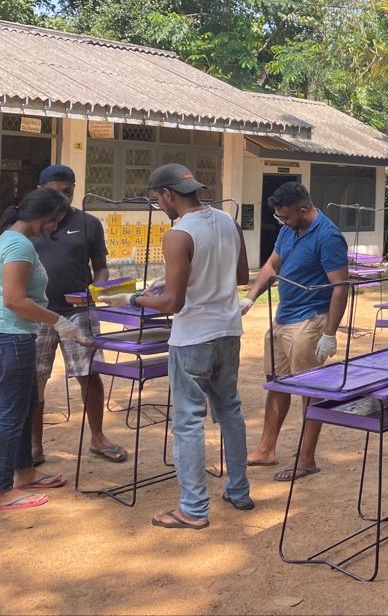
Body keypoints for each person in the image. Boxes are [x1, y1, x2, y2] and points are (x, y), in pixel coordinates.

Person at [108, 164, 251, 529]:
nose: (160, 204)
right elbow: (239, 277)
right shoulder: (227, 221)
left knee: (188, 421)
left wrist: (136, 299)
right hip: (228, 331)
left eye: (158, 199)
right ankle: (239, 491)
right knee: (230, 411)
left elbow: (173, 304)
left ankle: (193, 509)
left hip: (192, 339)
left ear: (167, 195)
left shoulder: (178, 234)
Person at [242, 182, 349, 481]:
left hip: (310, 321)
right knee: (275, 383)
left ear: (303, 210)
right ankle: (266, 449)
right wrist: (250, 298)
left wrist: (330, 333)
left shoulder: (328, 237)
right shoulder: (288, 230)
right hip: (283, 317)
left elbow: (341, 288)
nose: (282, 222)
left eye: (286, 216)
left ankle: (306, 458)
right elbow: (271, 266)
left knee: (310, 390)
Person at [1, 188, 92, 511]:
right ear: (47, 217)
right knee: (11, 413)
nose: (55, 228)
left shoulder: (11, 240)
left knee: (25, 407)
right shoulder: (19, 244)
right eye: (55, 222)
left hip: (18, 334)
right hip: (11, 336)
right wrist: (61, 324)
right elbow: (14, 299)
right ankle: (3, 489)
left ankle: (24, 472)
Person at [29, 165, 125, 466]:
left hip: (78, 311)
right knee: (33, 379)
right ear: (40, 189)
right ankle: (34, 447)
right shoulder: (27, 224)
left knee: (89, 373)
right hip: (36, 313)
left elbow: (100, 266)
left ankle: (98, 438)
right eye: (56, 192)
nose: (63, 198)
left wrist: (97, 288)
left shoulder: (89, 223)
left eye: (68, 191)